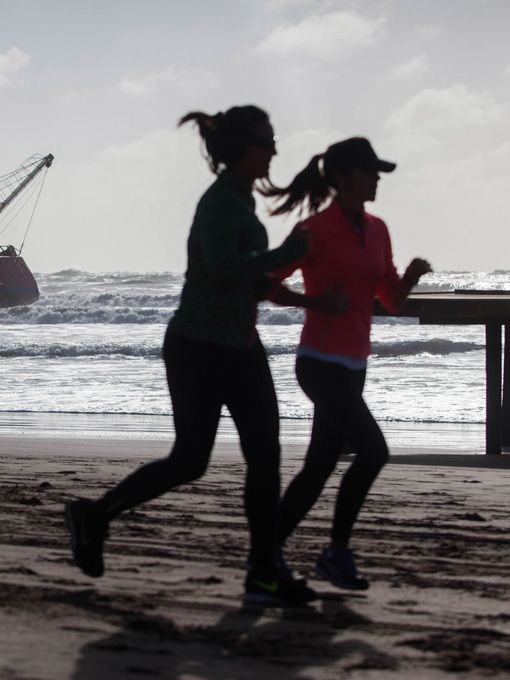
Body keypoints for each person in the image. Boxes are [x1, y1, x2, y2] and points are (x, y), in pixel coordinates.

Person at [64, 105, 316, 606]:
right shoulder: (221, 203)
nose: (274, 150)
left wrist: (309, 297)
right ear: (244, 148)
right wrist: (287, 253)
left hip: (240, 347)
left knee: (265, 458)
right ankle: (94, 515)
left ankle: (264, 570)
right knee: (190, 461)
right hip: (198, 349)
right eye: (267, 141)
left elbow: (250, 280)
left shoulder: (241, 200)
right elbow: (224, 270)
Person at [264, 137, 432, 590]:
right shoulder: (314, 230)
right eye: (370, 170)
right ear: (342, 177)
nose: (377, 177)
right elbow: (265, 282)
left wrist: (412, 277)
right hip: (318, 363)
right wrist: (314, 300)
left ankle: (268, 553)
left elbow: (391, 301)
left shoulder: (378, 229)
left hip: (355, 365)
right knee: (374, 451)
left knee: (319, 467)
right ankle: (335, 552)